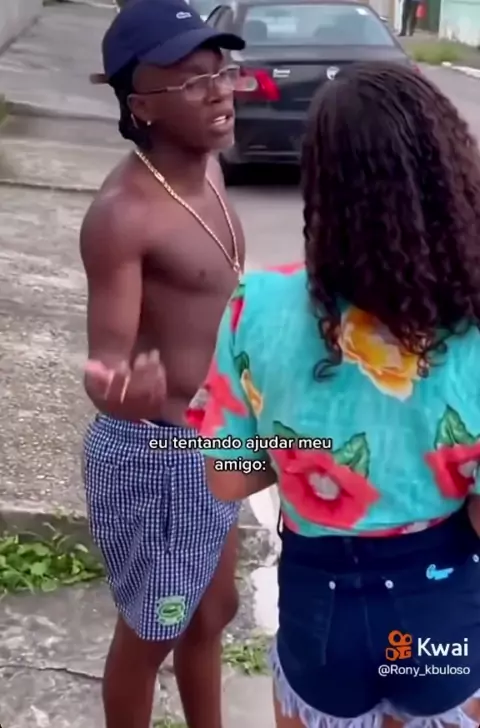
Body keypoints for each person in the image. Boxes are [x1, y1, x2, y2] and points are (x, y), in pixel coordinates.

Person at [186, 63, 480, 728]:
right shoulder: (472, 324)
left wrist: (307, 451)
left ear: (320, 184)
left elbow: (227, 478)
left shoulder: (257, 306)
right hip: (439, 614)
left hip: (321, 614)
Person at [80, 1, 246, 727]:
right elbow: (106, 365)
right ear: (141, 105)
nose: (219, 91)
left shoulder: (210, 172)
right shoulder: (124, 214)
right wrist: (121, 391)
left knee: (213, 612)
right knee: (154, 630)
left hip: (216, 441)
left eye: (223, 71)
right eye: (192, 81)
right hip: (158, 456)